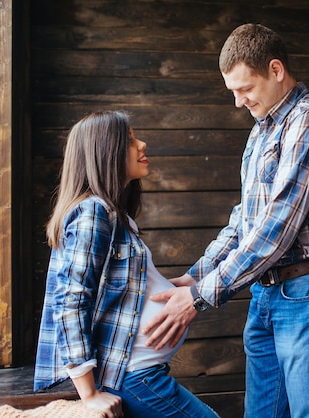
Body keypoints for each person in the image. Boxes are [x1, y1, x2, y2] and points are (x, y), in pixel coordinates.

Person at [142, 23, 309, 417]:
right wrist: (194, 276)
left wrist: (200, 296)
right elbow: (245, 220)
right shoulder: (260, 133)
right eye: (233, 92)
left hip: (308, 292)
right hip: (265, 294)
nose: (239, 102)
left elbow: (277, 227)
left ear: (276, 70)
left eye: (246, 89)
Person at [33, 111, 219, 418]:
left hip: (140, 371)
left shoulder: (115, 215)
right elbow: (70, 301)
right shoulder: (93, 212)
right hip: (130, 375)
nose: (142, 144)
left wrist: (167, 288)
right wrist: (90, 394)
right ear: (105, 151)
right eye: (130, 140)